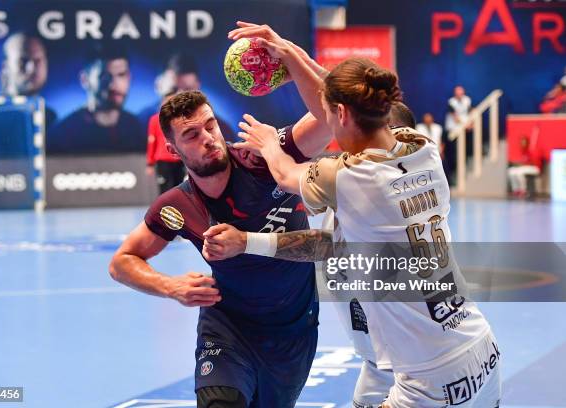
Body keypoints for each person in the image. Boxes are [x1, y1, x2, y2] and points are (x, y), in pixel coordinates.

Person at [203, 23, 501, 408]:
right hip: (479, 345)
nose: (324, 120)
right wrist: (289, 54)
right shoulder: (422, 148)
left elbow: (284, 173)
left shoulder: (348, 178)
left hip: (430, 377)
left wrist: (269, 143)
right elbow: (346, 102)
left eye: (328, 114)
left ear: (341, 113)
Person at [110, 89, 332, 408]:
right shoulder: (177, 206)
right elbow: (122, 261)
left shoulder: (264, 159)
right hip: (227, 328)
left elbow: (329, 115)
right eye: (191, 134)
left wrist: (287, 54)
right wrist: (170, 286)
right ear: (172, 150)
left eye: (210, 125)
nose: (208, 138)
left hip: (292, 330)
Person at [47, 46, 144, 155]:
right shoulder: (63, 134)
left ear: (129, 77)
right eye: (104, 76)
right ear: (84, 80)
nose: (113, 85)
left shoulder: (138, 129)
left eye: (121, 75)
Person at [139, 54, 237, 142]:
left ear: (198, 86)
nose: (180, 98)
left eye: (188, 91)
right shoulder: (141, 124)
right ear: (160, 85)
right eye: (173, 89)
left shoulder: (222, 131)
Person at [0, 32, 56, 128]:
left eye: (38, 60)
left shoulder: (52, 120)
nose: (31, 69)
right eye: (23, 61)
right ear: (6, 67)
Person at [146, 91, 187, 194]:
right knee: (165, 190)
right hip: (163, 161)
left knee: (180, 189)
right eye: (167, 101)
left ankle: (179, 210)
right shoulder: (155, 119)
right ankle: (165, 209)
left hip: (179, 159)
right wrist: (150, 163)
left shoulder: (181, 118)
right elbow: (152, 141)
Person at [507, 132, 541, 198]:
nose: (522, 144)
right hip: (526, 167)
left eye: (524, 142)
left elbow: (532, 163)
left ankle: (523, 190)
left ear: (527, 142)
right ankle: (516, 190)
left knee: (519, 172)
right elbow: (523, 161)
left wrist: (521, 164)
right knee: (511, 171)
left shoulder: (532, 150)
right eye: (521, 142)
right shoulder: (523, 151)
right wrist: (517, 163)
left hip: (535, 168)